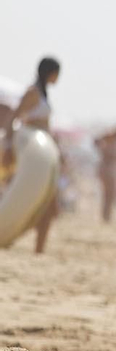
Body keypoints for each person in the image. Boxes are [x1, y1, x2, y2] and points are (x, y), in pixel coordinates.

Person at [2, 57, 63, 253]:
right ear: (50, 72)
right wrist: (10, 146)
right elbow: (14, 117)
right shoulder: (33, 92)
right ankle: (37, 250)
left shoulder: (43, 93)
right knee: (45, 203)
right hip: (30, 149)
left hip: (43, 151)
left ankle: (39, 250)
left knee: (49, 204)